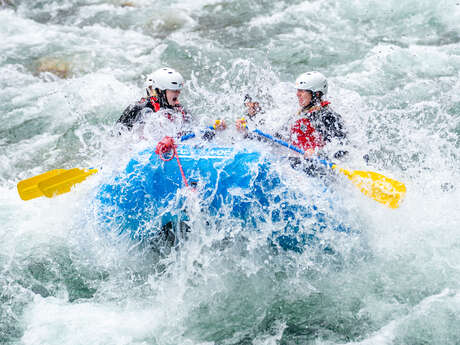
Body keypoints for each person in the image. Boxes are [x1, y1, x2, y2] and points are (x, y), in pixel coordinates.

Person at [237, 71, 348, 176]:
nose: (297, 94)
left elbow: (342, 149)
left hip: (318, 171)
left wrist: (317, 153)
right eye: (298, 90)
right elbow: (275, 140)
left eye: (302, 91)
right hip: (298, 165)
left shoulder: (328, 117)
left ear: (316, 94)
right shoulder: (299, 115)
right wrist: (248, 129)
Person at [116, 67, 225, 140]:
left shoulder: (179, 111)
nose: (178, 93)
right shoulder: (138, 108)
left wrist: (214, 130)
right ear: (160, 91)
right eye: (174, 90)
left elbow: (194, 131)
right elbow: (116, 139)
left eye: (178, 90)